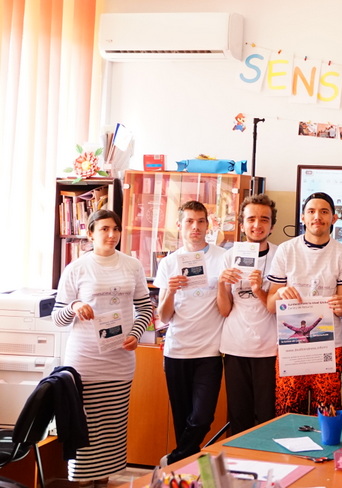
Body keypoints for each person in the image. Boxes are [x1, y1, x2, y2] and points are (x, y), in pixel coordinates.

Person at [54, 209, 153, 486]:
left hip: (119, 361)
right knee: (85, 429)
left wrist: (135, 334)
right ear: (90, 233)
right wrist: (75, 307)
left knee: (112, 429)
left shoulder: (132, 265)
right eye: (104, 229)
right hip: (84, 363)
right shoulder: (76, 268)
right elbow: (58, 317)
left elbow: (145, 307)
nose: (111, 235)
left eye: (116, 229)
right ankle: (84, 481)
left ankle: (104, 481)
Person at [267, 192, 342, 415]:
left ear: (334, 218)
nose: (318, 217)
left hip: (327, 345)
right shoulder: (287, 250)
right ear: (303, 218)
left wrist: (340, 305)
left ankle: (325, 451)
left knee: (327, 412)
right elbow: (270, 305)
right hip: (290, 348)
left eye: (324, 212)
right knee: (287, 411)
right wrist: (280, 294)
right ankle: (287, 451)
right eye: (311, 211)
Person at [155, 200, 227, 465]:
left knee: (201, 418)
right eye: (189, 221)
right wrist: (171, 291)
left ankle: (173, 461)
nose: (195, 227)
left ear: (208, 225)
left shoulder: (222, 257)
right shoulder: (169, 263)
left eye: (200, 221)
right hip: (176, 351)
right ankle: (185, 471)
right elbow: (163, 317)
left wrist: (222, 285)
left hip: (209, 351)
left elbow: (226, 307)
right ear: (179, 226)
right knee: (182, 419)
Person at [216, 194, 279, 435]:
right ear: (242, 224)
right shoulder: (229, 256)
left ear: (272, 225)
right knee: (238, 418)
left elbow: (279, 307)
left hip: (269, 347)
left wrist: (259, 290)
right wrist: (222, 284)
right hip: (235, 346)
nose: (257, 225)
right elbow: (224, 309)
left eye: (264, 219)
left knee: (267, 417)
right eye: (251, 219)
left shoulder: (280, 256)